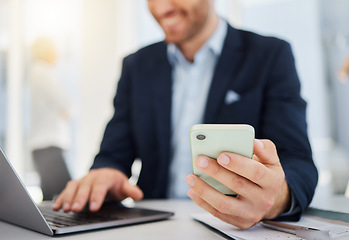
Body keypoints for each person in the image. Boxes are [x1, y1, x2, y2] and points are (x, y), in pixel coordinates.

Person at [53, 0, 318, 229]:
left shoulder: (270, 56)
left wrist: (277, 198)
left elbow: (298, 160)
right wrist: (105, 173)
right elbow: (113, 153)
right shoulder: (137, 66)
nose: (160, 7)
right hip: (152, 226)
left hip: (234, 227)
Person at [28, 37, 72, 200]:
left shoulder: (39, 71)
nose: (58, 53)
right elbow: (65, 103)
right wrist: (67, 109)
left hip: (43, 146)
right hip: (48, 145)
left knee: (49, 198)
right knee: (68, 194)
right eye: (54, 48)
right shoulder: (42, 71)